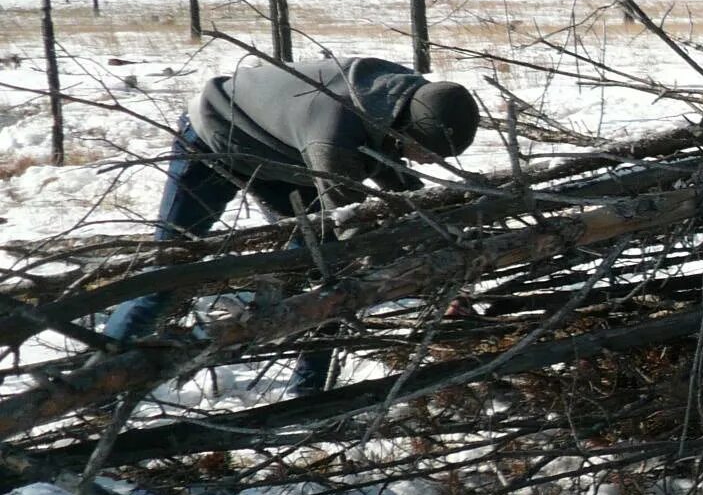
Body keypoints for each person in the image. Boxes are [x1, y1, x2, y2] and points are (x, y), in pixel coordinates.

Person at [103, 55, 481, 394]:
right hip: (215, 136)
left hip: (287, 151)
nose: (429, 162)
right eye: (427, 153)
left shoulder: (401, 97)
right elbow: (353, 233)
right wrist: (412, 267)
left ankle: (308, 388)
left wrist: (435, 223)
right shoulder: (335, 135)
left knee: (322, 268)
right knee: (170, 272)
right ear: (405, 130)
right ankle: (98, 378)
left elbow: (395, 181)